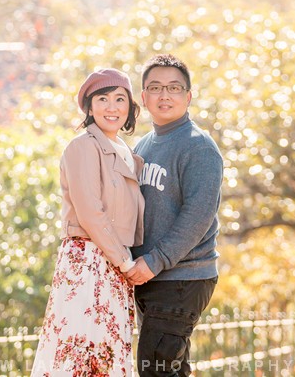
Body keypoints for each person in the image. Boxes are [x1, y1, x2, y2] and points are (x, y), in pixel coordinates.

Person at [31, 68, 145, 376]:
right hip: (89, 263)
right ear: (90, 107)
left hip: (116, 266)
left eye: (120, 99)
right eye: (103, 99)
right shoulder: (82, 146)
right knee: (82, 357)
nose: (112, 107)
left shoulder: (128, 153)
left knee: (108, 357)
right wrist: (125, 262)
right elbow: (90, 213)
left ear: (130, 107)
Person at [125, 54, 223, 376]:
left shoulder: (198, 147)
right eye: (155, 87)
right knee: (171, 370)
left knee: (155, 369)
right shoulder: (144, 146)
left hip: (182, 277)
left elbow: (198, 215)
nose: (164, 95)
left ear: (188, 96)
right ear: (143, 98)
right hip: (151, 277)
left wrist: (156, 260)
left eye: (173, 88)